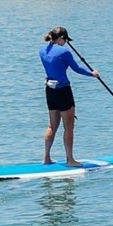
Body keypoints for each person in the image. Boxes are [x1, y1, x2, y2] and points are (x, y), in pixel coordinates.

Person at [39, 26, 99, 166]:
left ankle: (46, 158)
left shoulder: (42, 51)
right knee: (69, 126)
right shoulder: (64, 52)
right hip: (63, 91)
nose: (65, 42)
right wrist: (93, 74)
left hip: (50, 90)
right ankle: (70, 160)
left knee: (52, 126)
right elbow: (77, 69)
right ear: (61, 38)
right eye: (65, 39)